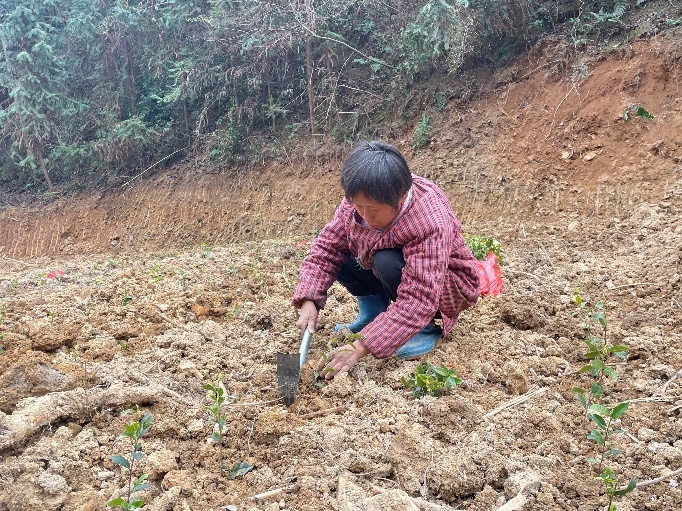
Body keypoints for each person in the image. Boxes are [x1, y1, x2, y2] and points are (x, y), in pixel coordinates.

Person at [293, 140, 480, 379]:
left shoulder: (430, 219)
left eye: (373, 209)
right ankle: (374, 316)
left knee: (386, 260)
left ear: (401, 197)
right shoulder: (360, 202)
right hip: (393, 272)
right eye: (358, 206)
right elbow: (327, 248)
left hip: (444, 287)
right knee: (343, 249)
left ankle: (421, 329)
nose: (365, 216)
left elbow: (418, 300)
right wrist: (309, 298)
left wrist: (360, 347)